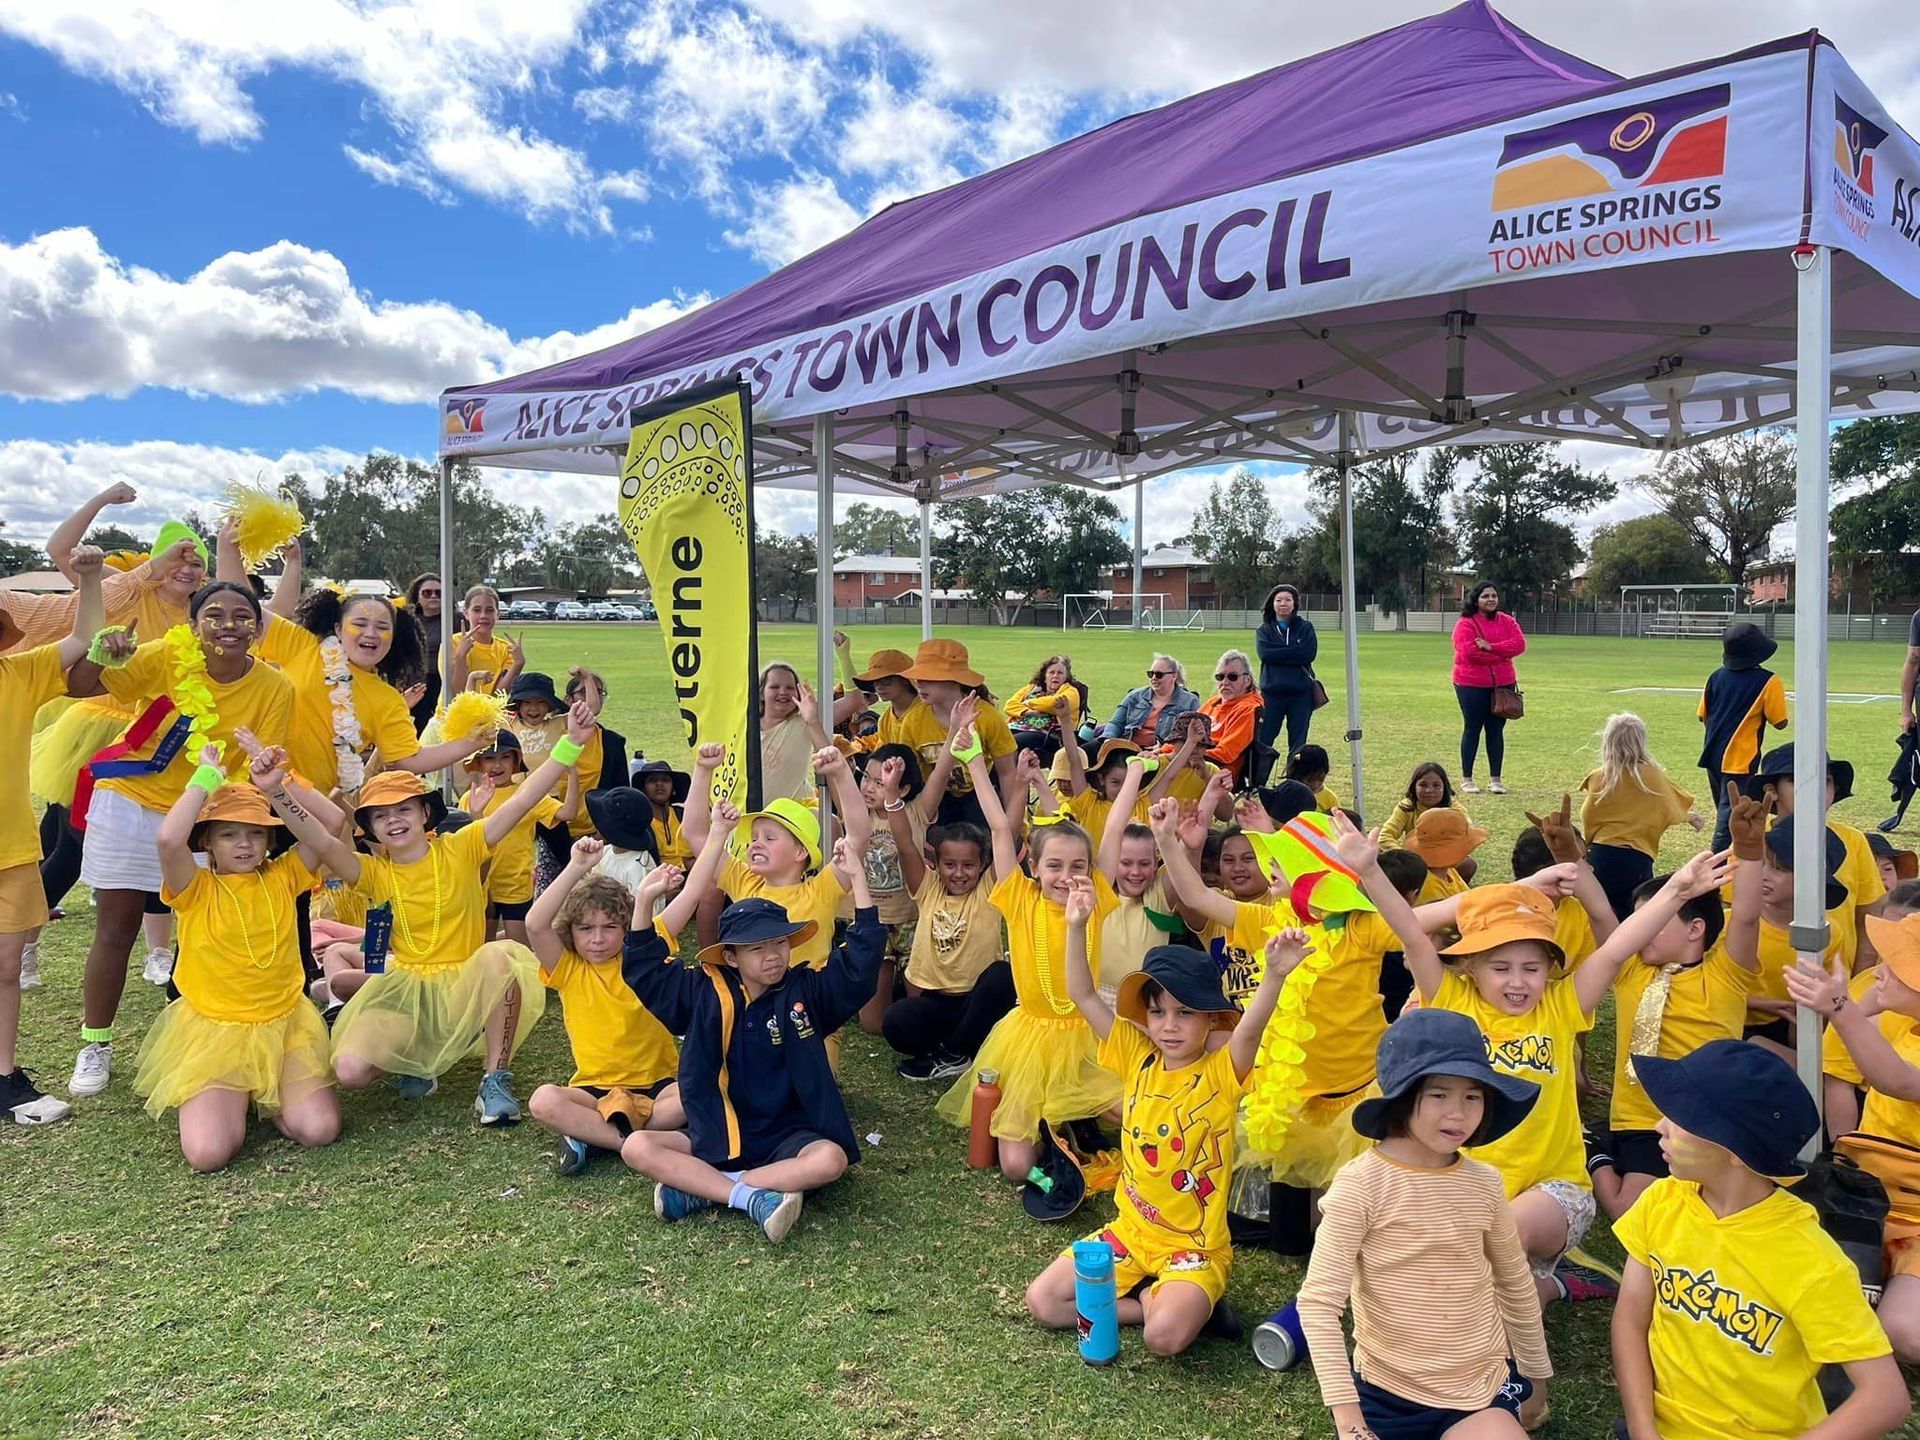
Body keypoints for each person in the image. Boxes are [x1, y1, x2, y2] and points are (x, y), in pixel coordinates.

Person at [1340, 809, 1731, 1307]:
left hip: (1553, 1193)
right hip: (1465, 1188)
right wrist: (1370, 872)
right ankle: (1548, 1287)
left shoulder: (1561, 1006)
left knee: (1489, 1245)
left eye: (1532, 967)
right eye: (1500, 967)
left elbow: (1613, 952)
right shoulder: (1450, 998)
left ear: (1550, 967)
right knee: (1441, 1261)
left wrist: (1676, 890)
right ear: (1470, 967)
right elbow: (1412, 936)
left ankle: (1505, 1305)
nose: (1518, 981)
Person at [62, 578, 297, 1099]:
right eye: (214, 615)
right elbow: (80, 684)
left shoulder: (276, 688)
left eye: (242, 616)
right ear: (193, 626)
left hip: (205, 812)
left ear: (258, 629)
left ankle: (201, 1042)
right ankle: (95, 1043)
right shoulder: (169, 654)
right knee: (116, 930)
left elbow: (263, 764)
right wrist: (107, 653)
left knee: (206, 933)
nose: (228, 625)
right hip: (131, 803)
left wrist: (254, 786)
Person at [1025, 918, 1300, 1356]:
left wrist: (1275, 975)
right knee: (1043, 1303)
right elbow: (1081, 993)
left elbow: (1251, 1029)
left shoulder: (1222, 1073)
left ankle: (1173, 1303)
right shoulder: (1137, 1055)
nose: (1170, 1025)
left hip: (1194, 1248)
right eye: (1158, 1011)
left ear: (1211, 1018)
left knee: (1162, 1339)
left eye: (1185, 1012)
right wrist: (1076, 925)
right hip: (1130, 1233)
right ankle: (1150, 1301)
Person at [1612, 1040, 1909, 1440]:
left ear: (1737, 1150)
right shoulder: (1661, 1202)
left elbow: (1886, 1397)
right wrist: (1643, 1428)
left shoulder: (1809, 1260)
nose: (1658, 1126)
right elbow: (1630, 1320)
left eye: (1679, 1117)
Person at [325, 701, 596, 1123]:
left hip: (464, 983)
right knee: (350, 1071)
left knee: (500, 955)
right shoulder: (372, 872)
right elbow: (324, 845)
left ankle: (495, 1079)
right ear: (371, 829)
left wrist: (569, 746)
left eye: (403, 810)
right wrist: (277, 791)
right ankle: (417, 1060)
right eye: (381, 816)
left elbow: (523, 800)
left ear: (424, 814)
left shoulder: (461, 845)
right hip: (408, 985)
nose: (394, 821)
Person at [1297, 1007, 1550, 1440]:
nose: (1458, 1112)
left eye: (1473, 1096)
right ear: (1403, 1096)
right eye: (1439, 1094)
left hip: (1479, 1389)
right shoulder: (1361, 1185)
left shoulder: (1485, 1183)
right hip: (1389, 1396)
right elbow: (1319, 1305)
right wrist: (1350, 1424)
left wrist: (1536, 1382)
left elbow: (1515, 1283)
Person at [619, 844, 885, 1245]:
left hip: (788, 1135)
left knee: (831, 1159)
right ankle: (751, 1198)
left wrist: (859, 881)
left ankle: (708, 1190)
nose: (773, 956)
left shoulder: (805, 992)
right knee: (637, 1146)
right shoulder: (704, 991)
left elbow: (860, 967)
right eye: (757, 948)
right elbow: (645, 970)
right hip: (718, 1130)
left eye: (779, 943)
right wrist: (643, 902)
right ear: (730, 956)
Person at [142, 745, 349, 1170]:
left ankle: (268, 1097)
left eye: (255, 833)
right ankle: (237, 1097)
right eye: (229, 834)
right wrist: (204, 780)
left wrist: (277, 788)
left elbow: (331, 822)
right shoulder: (195, 887)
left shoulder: (284, 875)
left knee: (320, 1131)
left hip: (284, 1023)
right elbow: (167, 839)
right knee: (208, 1154)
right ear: (208, 841)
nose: (244, 844)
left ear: (269, 841)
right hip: (216, 1031)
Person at [935, 723, 1121, 1179]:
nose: (1065, 875)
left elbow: (1111, 829)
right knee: (1017, 1167)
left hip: (1089, 1034)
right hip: (1031, 1037)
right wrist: (975, 760)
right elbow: (1000, 827)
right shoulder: (1019, 898)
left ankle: (1076, 1119)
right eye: (1053, 866)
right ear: (1033, 866)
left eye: (1077, 866)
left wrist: (1134, 777)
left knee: (1132, 1111)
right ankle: (1053, 1140)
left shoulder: (1094, 897)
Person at [1584, 856, 1752, 1222]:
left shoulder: (1726, 975)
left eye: (1655, 921)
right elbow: (1598, 913)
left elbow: (1746, 916)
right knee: (1627, 1213)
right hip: (1640, 1121)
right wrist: (1571, 860)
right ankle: (1593, 1150)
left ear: (1695, 929)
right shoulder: (1630, 970)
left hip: (1701, 1124)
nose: (1640, 931)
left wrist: (1751, 852)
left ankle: (1600, 1144)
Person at [0, 544, 105, 1124]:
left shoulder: (18, 672)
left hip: (12, 849)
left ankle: (5, 1078)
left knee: (6, 968)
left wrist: (89, 580)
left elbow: (85, 640)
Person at [1790, 909, 1920, 1365]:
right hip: (1865, 1195)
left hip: (1917, 1216)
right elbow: (1858, 1027)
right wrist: (1848, 1000)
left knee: (1905, 1336)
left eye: (1900, 967)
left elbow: (1899, 1081)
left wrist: (1839, 1006)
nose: (1881, 969)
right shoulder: (1904, 1016)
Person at [526, 835, 686, 1176]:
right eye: (585, 929)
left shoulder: (645, 956)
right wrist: (577, 867)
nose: (597, 938)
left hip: (659, 1085)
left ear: (627, 927)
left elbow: (692, 894)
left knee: (699, 1092)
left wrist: (717, 834)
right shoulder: (568, 967)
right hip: (594, 1091)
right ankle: (628, 1142)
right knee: (543, 1100)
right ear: (571, 931)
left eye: (610, 927)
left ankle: (591, 1135)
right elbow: (534, 924)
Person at [1748, 743, 1884, 962]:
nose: (1814, 789)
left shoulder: (1853, 841)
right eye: (1798, 780)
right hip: (1761, 981)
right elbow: (1733, 912)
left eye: (1826, 781)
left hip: (1835, 980)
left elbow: (1868, 917)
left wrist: (1858, 982)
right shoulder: (1749, 841)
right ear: (1771, 791)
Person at [457, 732, 580, 946]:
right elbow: (465, 842)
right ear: (479, 763)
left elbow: (568, 813)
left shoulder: (528, 793)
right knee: (482, 951)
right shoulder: (469, 798)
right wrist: (476, 813)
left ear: (516, 761)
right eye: (490, 758)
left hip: (516, 886)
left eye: (505, 757)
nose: (497, 765)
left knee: (520, 951)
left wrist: (573, 775)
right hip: (480, 885)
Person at [1580, 713, 1702, 922]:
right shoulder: (1651, 775)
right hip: (1636, 859)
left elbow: (1588, 815)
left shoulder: (1600, 776)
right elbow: (1668, 806)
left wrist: (1589, 844)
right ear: (1641, 742)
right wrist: (1689, 817)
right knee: (1635, 921)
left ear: (1607, 742)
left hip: (1600, 857)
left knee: (1598, 919)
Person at [898, 640, 1018, 827]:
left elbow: (1008, 773)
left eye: (929, 677)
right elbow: (909, 776)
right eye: (917, 677)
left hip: (979, 793)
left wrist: (1013, 823)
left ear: (956, 680)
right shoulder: (913, 720)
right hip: (935, 795)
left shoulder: (986, 717)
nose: (919, 683)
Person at [1697, 620, 1788, 850]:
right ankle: (1716, 868)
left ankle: (1731, 859)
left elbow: (1703, 716)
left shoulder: (1715, 677)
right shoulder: (1769, 681)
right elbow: (1780, 722)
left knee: (1725, 810)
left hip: (1712, 754)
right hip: (1739, 759)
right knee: (1730, 819)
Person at [1451, 581, 1525, 795]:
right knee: (1472, 728)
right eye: (1485, 596)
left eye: (1494, 595)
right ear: (1476, 600)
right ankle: (1467, 779)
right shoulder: (1466, 624)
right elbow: (1470, 653)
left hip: (1502, 685)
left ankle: (1496, 779)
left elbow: (1519, 645)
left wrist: (1492, 647)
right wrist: (1503, 654)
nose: (1491, 599)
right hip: (1470, 684)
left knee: (1496, 731)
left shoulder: (1507, 621)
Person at [1254, 583, 1319, 758]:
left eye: (1288, 600)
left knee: (1298, 744)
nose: (1283, 603)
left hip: (1300, 694)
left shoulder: (1305, 627)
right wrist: (1293, 650)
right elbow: (1265, 655)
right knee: (1263, 740)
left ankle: (1295, 781)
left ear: (1294, 603)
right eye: (1279, 600)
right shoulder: (1264, 630)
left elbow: (1308, 653)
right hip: (1272, 694)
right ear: (1273, 603)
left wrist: (1279, 652)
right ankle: (1257, 780)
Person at [756, 662, 829, 802]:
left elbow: (853, 701)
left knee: (832, 822)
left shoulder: (804, 722)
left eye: (790, 688)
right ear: (761, 694)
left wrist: (843, 654)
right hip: (749, 815)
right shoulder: (746, 727)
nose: (783, 692)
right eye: (774, 687)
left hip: (795, 813)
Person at [1097, 653, 1200, 750]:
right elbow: (1116, 723)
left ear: (1174, 676)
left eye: (1159, 674)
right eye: (1151, 674)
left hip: (1162, 755)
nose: (1154, 678)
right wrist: (1108, 740)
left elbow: (1192, 736)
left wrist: (1164, 748)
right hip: (1125, 748)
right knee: (1085, 753)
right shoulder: (1135, 696)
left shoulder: (1190, 702)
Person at [1196, 648, 1261, 780]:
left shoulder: (1248, 710)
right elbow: (1183, 735)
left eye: (1232, 677)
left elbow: (1226, 754)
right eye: (1220, 677)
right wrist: (1161, 751)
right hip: (1191, 759)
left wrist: (1184, 755)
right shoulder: (1212, 703)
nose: (1225, 682)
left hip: (1216, 771)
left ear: (1247, 680)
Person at [1002, 654, 1080, 762]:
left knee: (1012, 742)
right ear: (1045, 676)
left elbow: (1054, 703)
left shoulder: (1071, 691)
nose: (1055, 676)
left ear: (1066, 677)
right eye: (1052, 672)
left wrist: (1028, 702)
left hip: (1047, 735)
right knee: (996, 739)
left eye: (1060, 673)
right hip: (1016, 727)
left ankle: (1007, 776)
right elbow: (1009, 706)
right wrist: (1029, 712)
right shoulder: (1031, 688)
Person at [1378, 761, 1468, 851]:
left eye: (1436, 785)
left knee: (1469, 864)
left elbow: (1468, 833)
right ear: (1414, 787)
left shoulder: (1454, 809)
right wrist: (1405, 856)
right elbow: (1384, 837)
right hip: (1415, 860)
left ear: (1445, 787)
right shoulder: (1407, 807)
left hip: (1447, 856)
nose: (1429, 790)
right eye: (1423, 785)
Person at [447, 585, 520, 695]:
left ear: (498, 614)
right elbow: (457, 693)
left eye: (489, 610)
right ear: (466, 613)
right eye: (477, 610)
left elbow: (498, 696)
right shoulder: (452, 643)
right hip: (456, 711)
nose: (483, 615)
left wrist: (518, 664)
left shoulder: (506, 649)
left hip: (489, 710)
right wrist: (460, 657)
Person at [402, 572, 448, 730]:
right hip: (414, 685)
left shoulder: (456, 620)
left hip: (444, 684)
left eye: (439, 593)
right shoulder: (406, 621)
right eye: (427, 593)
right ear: (417, 597)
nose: (433, 596)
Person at [1284, 744, 1340, 813]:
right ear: (1297, 776)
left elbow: (1338, 821)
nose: (1315, 785)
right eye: (1309, 780)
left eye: (1321, 779)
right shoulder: (1288, 794)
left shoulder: (1330, 799)